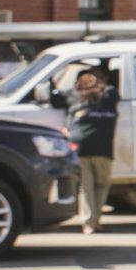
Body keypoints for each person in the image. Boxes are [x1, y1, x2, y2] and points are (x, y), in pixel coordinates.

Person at [49, 64, 120, 234]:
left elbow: (54, 98)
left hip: (79, 146)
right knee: (101, 184)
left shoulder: (74, 96)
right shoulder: (109, 93)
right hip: (103, 147)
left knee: (85, 187)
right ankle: (95, 221)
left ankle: (89, 223)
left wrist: (51, 81)